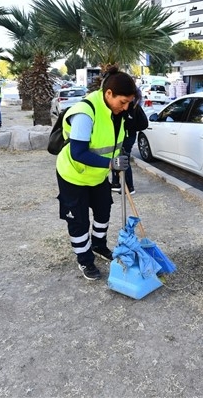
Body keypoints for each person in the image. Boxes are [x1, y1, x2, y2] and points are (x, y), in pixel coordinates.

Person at [56, 66, 136, 280]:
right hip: (74, 175)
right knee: (79, 220)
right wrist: (111, 164)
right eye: (123, 102)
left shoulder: (117, 112)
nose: (126, 106)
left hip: (97, 176)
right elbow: (78, 152)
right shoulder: (85, 112)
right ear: (108, 94)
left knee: (103, 211)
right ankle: (85, 259)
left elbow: (132, 130)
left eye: (129, 102)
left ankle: (99, 245)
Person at [110, 89, 148, 194]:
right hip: (125, 136)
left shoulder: (131, 107)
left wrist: (130, 127)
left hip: (126, 137)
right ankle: (116, 183)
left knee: (122, 158)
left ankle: (128, 186)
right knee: (118, 157)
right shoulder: (132, 106)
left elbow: (144, 124)